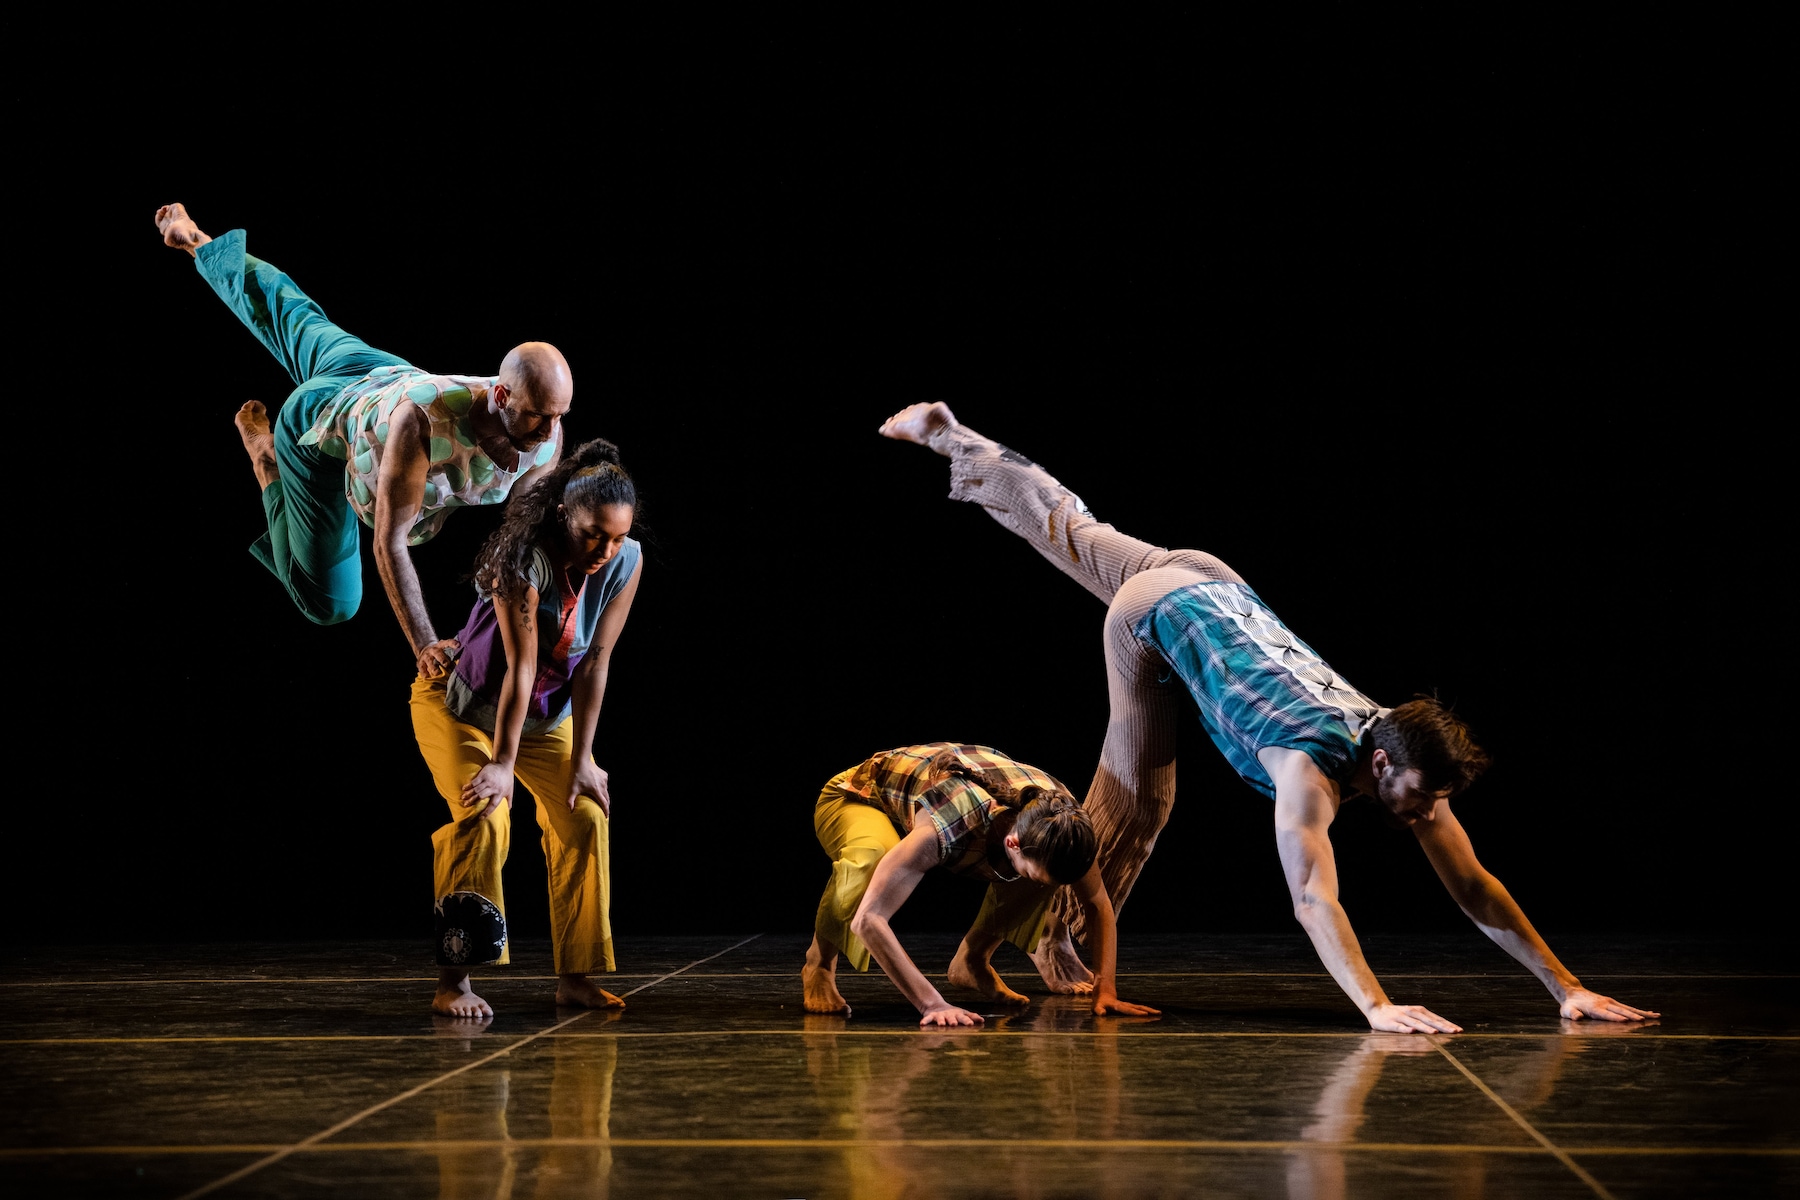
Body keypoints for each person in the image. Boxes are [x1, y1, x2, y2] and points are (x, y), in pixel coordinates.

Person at [878, 403, 1659, 1034]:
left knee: (1071, 530)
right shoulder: (1306, 771)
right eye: (1419, 797)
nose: (1425, 813)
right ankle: (1060, 949)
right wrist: (1376, 1007)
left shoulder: (1402, 746)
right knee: (1142, 803)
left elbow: (1475, 886)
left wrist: (1566, 987)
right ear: (1381, 766)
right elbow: (1315, 898)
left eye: (1431, 801)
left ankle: (952, 436)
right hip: (1154, 615)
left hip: (1211, 581)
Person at [155, 204, 571, 675]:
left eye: (559, 416)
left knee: (292, 312)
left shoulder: (546, 435)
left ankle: (199, 243)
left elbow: (518, 535)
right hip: (320, 426)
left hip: (376, 372)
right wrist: (425, 644)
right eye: (538, 417)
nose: (549, 432)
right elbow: (389, 542)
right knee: (332, 602)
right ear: (500, 394)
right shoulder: (422, 424)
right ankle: (270, 466)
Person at [412, 439, 642, 1018]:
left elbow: (595, 662)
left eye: (616, 536)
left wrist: (585, 757)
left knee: (586, 813)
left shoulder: (625, 562)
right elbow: (520, 668)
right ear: (566, 513)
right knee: (484, 812)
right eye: (594, 534)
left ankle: (575, 977)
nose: (604, 549)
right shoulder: (522, 560)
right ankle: (454, 979)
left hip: (545, 719)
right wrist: (503, 765)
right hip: (462, 706)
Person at [805, 741, 1159, 1027]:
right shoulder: (950, 823)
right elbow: (869, 919)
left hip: (956, 806)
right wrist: (932, 1004)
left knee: (1035, 877)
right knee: (872, 857)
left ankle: (971, 961)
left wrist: (1106, 988)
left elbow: (1097, 904)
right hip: (856, 795)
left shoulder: (1064, 827)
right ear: (1012, 842)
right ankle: (819, 965)